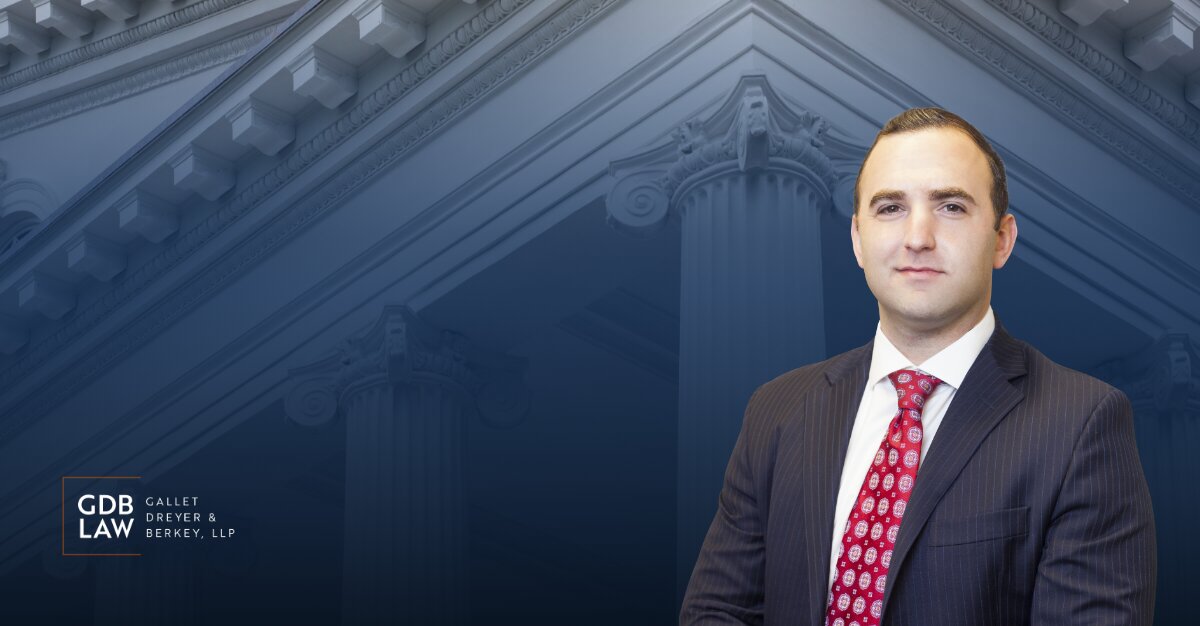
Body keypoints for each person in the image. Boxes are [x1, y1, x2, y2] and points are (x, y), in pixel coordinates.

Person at [678, 108, 1157, 625]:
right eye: (890, 208)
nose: (918, 237)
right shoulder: (777, 409)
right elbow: (719, 611)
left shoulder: (1082, 423)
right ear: (858, 239)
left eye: (951, 206)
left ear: (1002, 239)